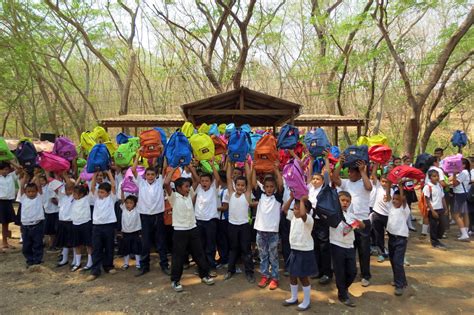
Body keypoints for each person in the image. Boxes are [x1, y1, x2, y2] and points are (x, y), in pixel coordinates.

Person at [164, 169, 215, 292]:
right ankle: (175, 281)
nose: (188, 188)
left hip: (193, 228)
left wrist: (190, 166)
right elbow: (166, 183)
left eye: (189, 186)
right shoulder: (174, 197)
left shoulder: (189, 195)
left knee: (199, 253)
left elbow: (197, 180)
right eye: (186, 187)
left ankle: (204, 275)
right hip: (180, 231)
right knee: (178, 257)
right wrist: (174, 168)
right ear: (178, 188)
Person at [332, 158, 373, 287]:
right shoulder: (346, 183)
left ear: (358, 173)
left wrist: (363, 172)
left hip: (362, 221)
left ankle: (365, 275)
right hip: (349, 221)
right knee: (349, 247)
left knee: (364, 250)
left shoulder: (364, 182)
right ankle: (349, 272)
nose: (349, 174)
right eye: (348, 171)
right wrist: (340, 164)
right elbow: (334, 178)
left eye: (351, 172)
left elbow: (369, 187)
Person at [132, 156, 170, 276]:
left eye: (152, 174)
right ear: (145, 175)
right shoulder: (141, 183)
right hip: (145, 216)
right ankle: (144, 266)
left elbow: (164, 169)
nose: (150, 176)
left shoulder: (159, 183)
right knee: (145, 242)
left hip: (158, 215)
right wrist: (138, 154)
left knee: (161, 242)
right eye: (148, 174)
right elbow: (133, 170)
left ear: (155, 175)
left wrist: (163, 152)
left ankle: (164, 265)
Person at [251, 160, 284, 290]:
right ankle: (265, 275)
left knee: (274, 256)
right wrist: (253, 169)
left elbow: (280, 184)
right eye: (267, 186)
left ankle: (275, 278)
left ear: (274, 188)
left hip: (273, 232)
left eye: (272, 186)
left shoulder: (277, 197)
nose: (269, 189)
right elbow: (253, 183)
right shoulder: (261, 196)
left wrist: (276, 170)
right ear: (264, 187)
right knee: (263, 255)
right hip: (260, 231)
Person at [330, 191, 365, 307]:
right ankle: (343, 295)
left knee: (352, 271)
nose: (345, 203)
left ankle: (342, 289)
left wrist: (359, 223)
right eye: (342, 200)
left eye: (347, 201)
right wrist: (355, 225)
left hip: (349, 246)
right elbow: (345, 231)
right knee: (340, 271)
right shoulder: (333, 214)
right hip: (337, 245)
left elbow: (363, 225)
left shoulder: (350, 214)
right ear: (337, 201)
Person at [281, 195, 316, 312]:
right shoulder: (293, 217)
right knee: (292, 274)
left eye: (297, 208)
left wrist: (301, 199)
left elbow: (302, 214)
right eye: (294, 208)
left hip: (305, 251)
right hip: (294, 250)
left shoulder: (309, 220)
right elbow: (284, 209)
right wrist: (291, 198)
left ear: (306, 209)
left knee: (303, 276)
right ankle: (294, 297)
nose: (294, 210)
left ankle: (306, 301)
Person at [224, 161, 255, 283]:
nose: (240, 187)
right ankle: (230, 270)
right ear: (235, 185)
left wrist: (247, 162)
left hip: (244, 226)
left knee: (246, 250)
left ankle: (249, 272)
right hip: (232, 225)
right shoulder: (231, 193)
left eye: (243, 185)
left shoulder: (247, 195)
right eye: (238, 185)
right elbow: (228, 177)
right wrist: (230, 162)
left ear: (246, 187)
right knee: (233, 249)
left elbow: (248, 176)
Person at [188, 159, 221, 272]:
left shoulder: (213, 190)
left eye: (207, 181)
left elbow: (217, 179)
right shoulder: (198, 189)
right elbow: (196, 179)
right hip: (199, 221)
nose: (204, 183)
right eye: (202, 181)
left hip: (210, 222)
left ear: (210, 182)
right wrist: (191, 167)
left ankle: (211, 265)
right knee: (200, 245)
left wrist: (212, 165)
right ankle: (201, 266)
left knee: (210, 245)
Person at [87, 170, 118, 281]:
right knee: (97, 248)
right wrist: (95, 174)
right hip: (97, 226)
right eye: (99, 192)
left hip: (109, 226)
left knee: (109, 246)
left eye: (102, 192)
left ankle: (108, 266)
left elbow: (113, 185)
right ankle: (95, 270)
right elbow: (92, 186)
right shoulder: (95, 198)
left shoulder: (111, 198)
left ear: (108, 193)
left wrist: (109, 173)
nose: (100, 194)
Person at [307, 153, 332, 284]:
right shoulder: (310, 188)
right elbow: (309, 174)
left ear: (322, 181)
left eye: (318, 179)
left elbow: (327, 173)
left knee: (324, 247)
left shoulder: (325, 188)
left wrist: (326, 159)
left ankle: (327, 273)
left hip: (323, 220)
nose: (315, 180)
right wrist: (311, 160)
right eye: (314, 179)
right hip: (312, 220)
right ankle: (317, 271)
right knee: (315, 245)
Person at [387, 180, 411, 296]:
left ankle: (399, 285)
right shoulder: (391, 207)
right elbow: (388, 196)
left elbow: (402, 199)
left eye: (398, 199)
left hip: (401, 239)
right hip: (391, 237)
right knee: (393, 260)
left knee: (398, 261)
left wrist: (401, 187)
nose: (395, 201)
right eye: (394, 199)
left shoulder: (404, 209)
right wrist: (388, 185)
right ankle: (402, 280)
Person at [20, 174, 45, 267]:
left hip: (37, 225)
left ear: (37, 191)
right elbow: (22, 186)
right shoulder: (23, 198)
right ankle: (29, 260)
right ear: (25, 192)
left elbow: (38, 186)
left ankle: (37, 260)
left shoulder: (39, 197)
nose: (31, 193)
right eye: (29, 192)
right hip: (25, 226)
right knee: (26, 245)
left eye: (33, 191)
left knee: (38, 243)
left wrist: (37, 176)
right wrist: (25, 176)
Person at [371, 168, 392, 262]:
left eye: (386, 182)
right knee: (379, 235)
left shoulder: (392, 191)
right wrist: (376, 163)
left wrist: (389, 186)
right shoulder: (378, 187)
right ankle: (382, 253)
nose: (384, 183)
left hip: (388, 216)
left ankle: (394, 253)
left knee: (392, 235)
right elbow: (373, 175)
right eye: (383, 181)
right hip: (377, 214)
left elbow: (388, 198)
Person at [70, 183, 93, 272]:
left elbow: (92, 187)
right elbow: (73, 185)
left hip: (85, 223)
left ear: (82, 194)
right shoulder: (73, 200)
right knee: (77, 244)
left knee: (88, 244)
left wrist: (92, 177)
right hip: (75, 224)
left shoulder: (87, 199)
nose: (73, 195)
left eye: (75, 193)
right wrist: (80, 178)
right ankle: (77, 263)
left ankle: (90, 262)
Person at [423, 170, 448, 249]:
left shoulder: (439, 186)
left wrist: (446, 208)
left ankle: (437, 238)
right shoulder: (428, 186)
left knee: (443, 224)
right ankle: (434, 242)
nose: (436, 178)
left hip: (440, 208)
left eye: (437, 176)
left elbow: (442, 197)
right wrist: (432, 210)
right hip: (432, 209)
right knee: (433, 226)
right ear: (430, 177)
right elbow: (427, 199)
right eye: (434, 176)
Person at [55, 173, 75, 267]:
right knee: (64, 242)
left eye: (71, 189)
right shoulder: (62, 197)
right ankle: (65, 259)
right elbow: (57, 186)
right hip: (62, 222)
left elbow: (71, 185)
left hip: (71, 222)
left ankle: (75, 260)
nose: (68, 191)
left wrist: (65, 175)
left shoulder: (74, 197)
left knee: (74, 242)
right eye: (67, 189)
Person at [118, 194, 142, 271]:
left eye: (131, 203)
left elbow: (139, 200)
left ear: (135, 204)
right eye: (127, 203)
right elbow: (122, 199)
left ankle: (138, 263)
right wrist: (122, 189)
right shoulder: (124, 209)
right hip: (126, 233)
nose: (128, 205)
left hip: (135, 232)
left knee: (136, 248)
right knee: (126, 248)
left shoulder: (137, 209)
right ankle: (126, 263)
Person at [0, 162, 20, 252]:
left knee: (5, 223)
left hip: (8, 202)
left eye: (7, 169)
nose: (5, 171)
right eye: (3, 169)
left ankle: (5, 242)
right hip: (0, 201)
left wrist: (10, 161)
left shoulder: (11, 176)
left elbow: (20, 169)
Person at [450, 158, 471, 241]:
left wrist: (454, 174)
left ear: (464, 165)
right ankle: (464, 231)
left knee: (456, 215)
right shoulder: (465, 172)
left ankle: (464, 234)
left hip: (460, 194)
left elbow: (455, 184)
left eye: (459, 164)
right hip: (463, 194)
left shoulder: (463, 173)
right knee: (465, 214)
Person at [39, 174, 60, 252]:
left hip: (54, 211)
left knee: (53, 230)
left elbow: (53, 199)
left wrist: (59, 203)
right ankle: (52, 245)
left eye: (43, 180)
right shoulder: (43, 188)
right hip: (47, 210)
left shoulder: (49, 187)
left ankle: (53, 245)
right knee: (50, 230)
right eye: (40, 181)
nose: (41, 182)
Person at [216, 170, 229, 269]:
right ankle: (222, 257)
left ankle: (225, 259)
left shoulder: (226, 191)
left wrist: (213, 207)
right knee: (220, 240)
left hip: (223, 219)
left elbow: (225, 207)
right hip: (218, 218)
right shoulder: (219, 188)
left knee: (223, 240)